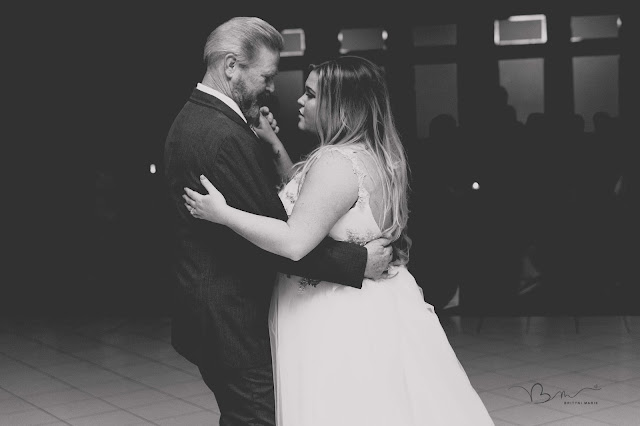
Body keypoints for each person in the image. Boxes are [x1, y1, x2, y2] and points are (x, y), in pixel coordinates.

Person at [184, 56, 494, 425]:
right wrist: (274, 144)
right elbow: (315, 205)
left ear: (340, 106)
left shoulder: (333, 161)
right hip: (375, 302)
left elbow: (295, 240)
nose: (300, 100)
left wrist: (222, 214)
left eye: (311, 94)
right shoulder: (378, 155)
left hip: (330, 310)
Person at [164, 18, 392, 426]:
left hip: (222, 308)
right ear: (231, 65)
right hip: (229, 316)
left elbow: (284, 210)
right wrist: (358, 262)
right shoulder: (221, 135)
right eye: (267, 76)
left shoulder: (205, 119)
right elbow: (284, 238)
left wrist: (271, 146)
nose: (273, 88)